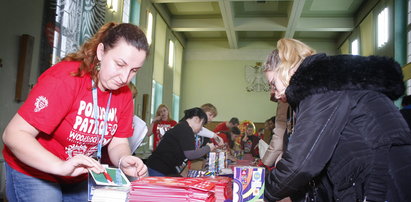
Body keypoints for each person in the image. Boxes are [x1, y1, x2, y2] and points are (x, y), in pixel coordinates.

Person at [2, 22, 149, 201]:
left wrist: (123, 159)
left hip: (75, 173)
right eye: (119, 64)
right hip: (34, 168)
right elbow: (14, 134)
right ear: (101, 52)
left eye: (134, 70)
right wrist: (59, 166)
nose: (125, 78)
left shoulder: (124, 94)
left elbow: (118, 142)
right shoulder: (67, 79)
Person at [264, 38, 411, 201]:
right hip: (385, 175)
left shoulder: (319, 87)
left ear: (287, 68)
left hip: (380, 180)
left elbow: (301, 163)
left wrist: (263, 191)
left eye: (273, 84)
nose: (275, 94)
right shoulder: (330, 83)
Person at [145, 107, 216, 176]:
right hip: (158, 169)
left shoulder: (182, 126)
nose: (201, 129)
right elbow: (190, 154)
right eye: (202, 124)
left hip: (162, 168)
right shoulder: (186, 129)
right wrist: (208, 147)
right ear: (196, 119)